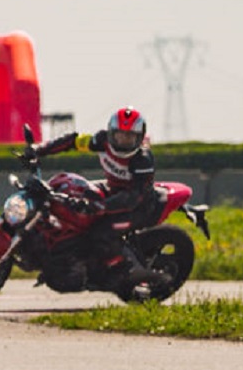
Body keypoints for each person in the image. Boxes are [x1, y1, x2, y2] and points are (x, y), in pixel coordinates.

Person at [23, 106, 169, 286]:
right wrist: (40, 149)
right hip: (113, 190)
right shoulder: (101, 140)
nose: (123, 141)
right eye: (119, 135)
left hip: (139, 205)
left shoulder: (142, 159)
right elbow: (74, 141)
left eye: (130, 136)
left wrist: (101, 205)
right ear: (111, 133)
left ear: (139, 138)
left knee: (101, 231)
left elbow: (134, 196)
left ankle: (123, 271)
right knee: (70, 198)